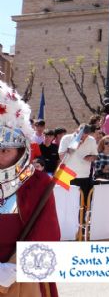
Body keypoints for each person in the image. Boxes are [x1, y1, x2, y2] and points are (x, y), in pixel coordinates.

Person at [0, 80, 60, 297]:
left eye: (5, 150)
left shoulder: (38, 183)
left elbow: (48, 235)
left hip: (22, 282)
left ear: (19, 149)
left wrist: (16, 267)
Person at [58, 124, 99, 204]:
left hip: (83, 175)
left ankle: (82, 217)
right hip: (66, 174)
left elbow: (95, 155)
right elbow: (61, 157)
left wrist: (91, 157)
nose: (83, 138)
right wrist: (74, 147)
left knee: (82, 202)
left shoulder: (91, 140)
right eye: (82, 136)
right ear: (77, 131)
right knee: (65, 202)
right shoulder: (66, 138)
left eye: (86, 136)